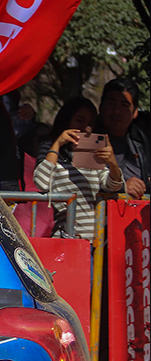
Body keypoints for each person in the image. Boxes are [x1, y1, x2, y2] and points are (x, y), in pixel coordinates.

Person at [34, 97, 126, 241]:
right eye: (80, 120)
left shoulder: (92, 150)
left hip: (93, 243)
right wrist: (58, 143)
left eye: (90, 123)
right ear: (67, 120)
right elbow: (42, 183)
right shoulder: (50, 148)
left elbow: (112, 185)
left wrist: (113, 163)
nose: (85, 128)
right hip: (65, 239)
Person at [98, 78, 147, 199]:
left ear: (135, 112)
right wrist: (122, 187)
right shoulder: (85, 137)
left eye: (124, 106)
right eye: (111, 103)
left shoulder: (142, 142)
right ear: (101, 106)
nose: (116, 111)